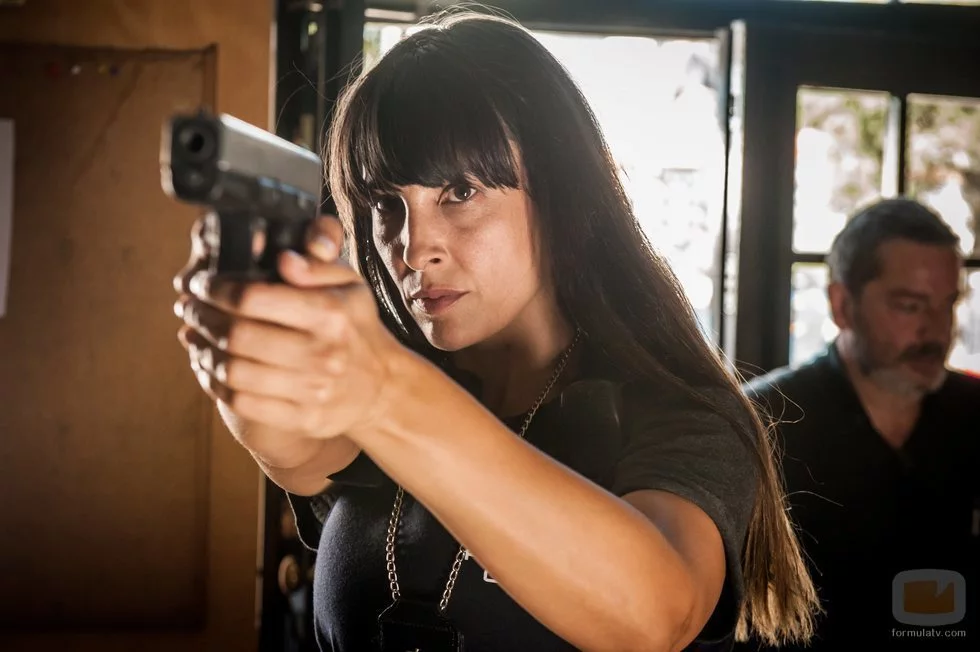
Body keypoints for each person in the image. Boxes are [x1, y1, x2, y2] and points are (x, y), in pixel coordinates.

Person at [172, 10, 819, 652]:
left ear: (559, 194)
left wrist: (383, 389)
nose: (414, 248)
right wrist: (245, 332)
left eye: (459, 192)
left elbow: (655, 615)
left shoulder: (683, 416)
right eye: (386, 204)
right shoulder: (378, 381)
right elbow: (291, 446)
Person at [739, 198, 980, 650]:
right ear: (842, 305)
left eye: (947, 305)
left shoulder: (973, 413)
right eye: (910, 306)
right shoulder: (765, 423)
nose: (936, 332)